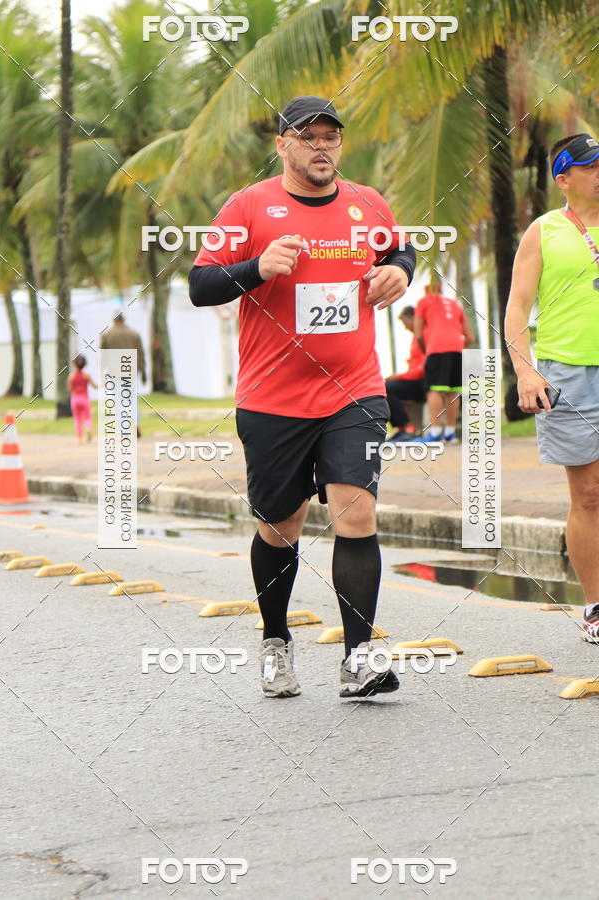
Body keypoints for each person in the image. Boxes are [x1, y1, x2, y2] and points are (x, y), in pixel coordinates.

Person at [189, 95, 416, 698]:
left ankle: (359, 657)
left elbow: (398, 248)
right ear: (283, 144)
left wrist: (401, 269)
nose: (321, 146)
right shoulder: (249, 206)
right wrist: (258, 267)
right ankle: (275, 643)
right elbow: (200, 284)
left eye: (331, 137)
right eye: (308, 136)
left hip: (355, 391)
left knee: (357, 511)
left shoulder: (367, 205)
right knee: (281, 526)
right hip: (272, 399)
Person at [505, 132, 599, 641]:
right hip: (567, 372)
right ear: (564, 178)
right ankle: (596, 608)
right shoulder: (544, 231)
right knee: (588, 494)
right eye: (590, 166)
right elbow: (517, 307)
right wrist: (524, 369)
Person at [413, 281, 474, 444]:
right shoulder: (454, 304)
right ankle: (450, 433)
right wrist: (457, 346)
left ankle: (436, 431)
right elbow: (470, 337)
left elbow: (418, 334)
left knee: (434, 389)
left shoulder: (424, 302)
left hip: (436, 348)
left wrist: (427, 352)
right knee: (453, 390)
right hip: (457, 349)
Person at [99, 312, 147, 437]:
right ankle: (135, 422)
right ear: (124, 320)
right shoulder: (134, 334)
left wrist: (102, 375)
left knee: (119, 401)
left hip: (114, 373)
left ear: (113, 320)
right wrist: (144, 374)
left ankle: (124, 429)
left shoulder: (106, 335)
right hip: (130, 372)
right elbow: (141, 355)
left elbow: (102, 357)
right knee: (132, 400)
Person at [385, 305, 426, 441]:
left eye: (405, 323)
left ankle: (407, 428)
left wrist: (398, 376)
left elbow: (422, 369)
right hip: (415, 380)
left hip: (423, 382)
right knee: (385, 387)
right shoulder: (416, 337)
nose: (405, 327)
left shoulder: (424, 336)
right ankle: (402, 428)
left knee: (387, 388)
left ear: (413, 319)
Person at [67, 354, 96, 443]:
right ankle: (88, 429)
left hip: (75, 399)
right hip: (85, 399)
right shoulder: (86, 376)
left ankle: (80, 439)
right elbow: (94, 386)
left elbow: (69, 389)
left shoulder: (71, 376)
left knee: (77, 419)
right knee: (87, 417)